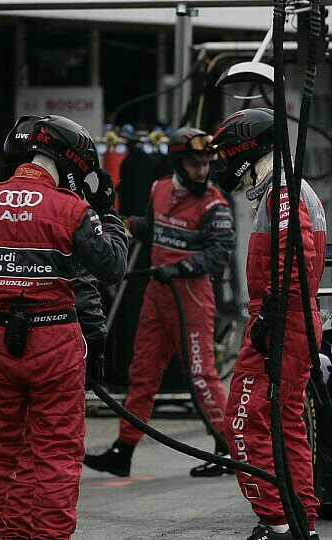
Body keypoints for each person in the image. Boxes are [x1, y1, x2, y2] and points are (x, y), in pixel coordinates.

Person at [0, 114, 128, 540]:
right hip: (54, 339)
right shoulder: (72, 208)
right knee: (54, 453)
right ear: (69, 161)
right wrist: (109, 214)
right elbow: (110, 267)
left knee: (0, 453)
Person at [83, 127, 236, 478]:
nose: (202, 171)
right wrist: (126, 224)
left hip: (192, 299)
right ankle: (124, 451)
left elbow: (220, 254)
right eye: (195, 164)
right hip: (156, 298)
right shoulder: (159, 189)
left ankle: (226, 447)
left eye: (206, 164)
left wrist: (182, 267)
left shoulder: (215, 203)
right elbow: (154, 227)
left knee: (201, 375)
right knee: (142, 376)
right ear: (179, 163)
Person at [213, 108, 325, 540]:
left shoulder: (283, 193)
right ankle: (299, 524)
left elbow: (294, 256)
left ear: (246, 148)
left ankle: (277, 522)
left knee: (242, 421)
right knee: (287, 422)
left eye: (226, 154)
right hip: (291, 318)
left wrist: (270, 317)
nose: (223, 166)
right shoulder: (288, 189)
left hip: (282, 320)